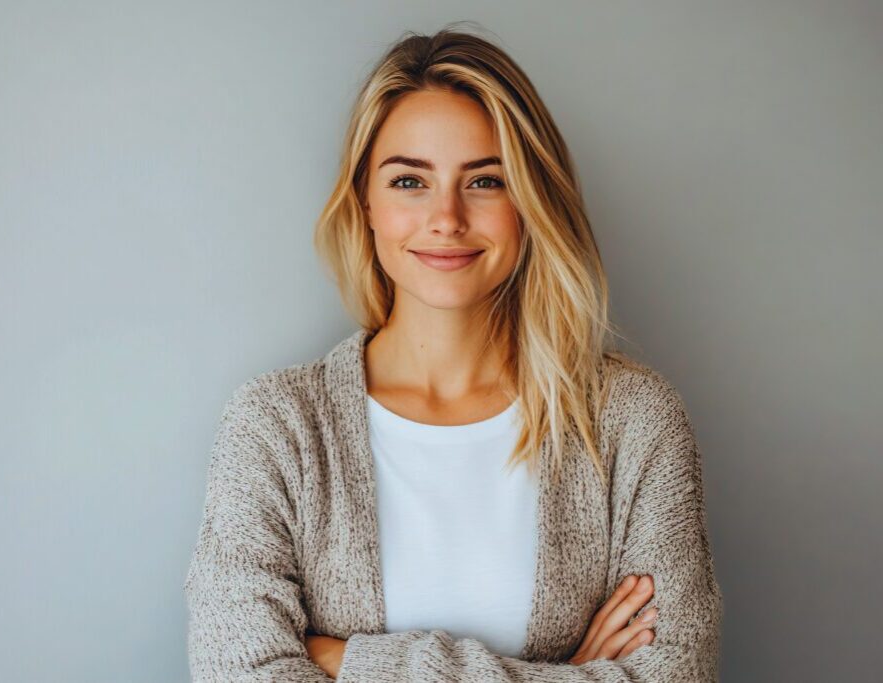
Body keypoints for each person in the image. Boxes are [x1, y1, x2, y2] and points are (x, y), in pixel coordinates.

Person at [184, 23, 723, 682]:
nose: (447, 217)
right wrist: (568, 673)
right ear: (367, 203)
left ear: (532, 200)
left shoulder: (634, 424)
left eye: (486, 181)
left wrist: (349, 660)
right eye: (410, 181)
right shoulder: (276, 428)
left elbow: (677, 674)